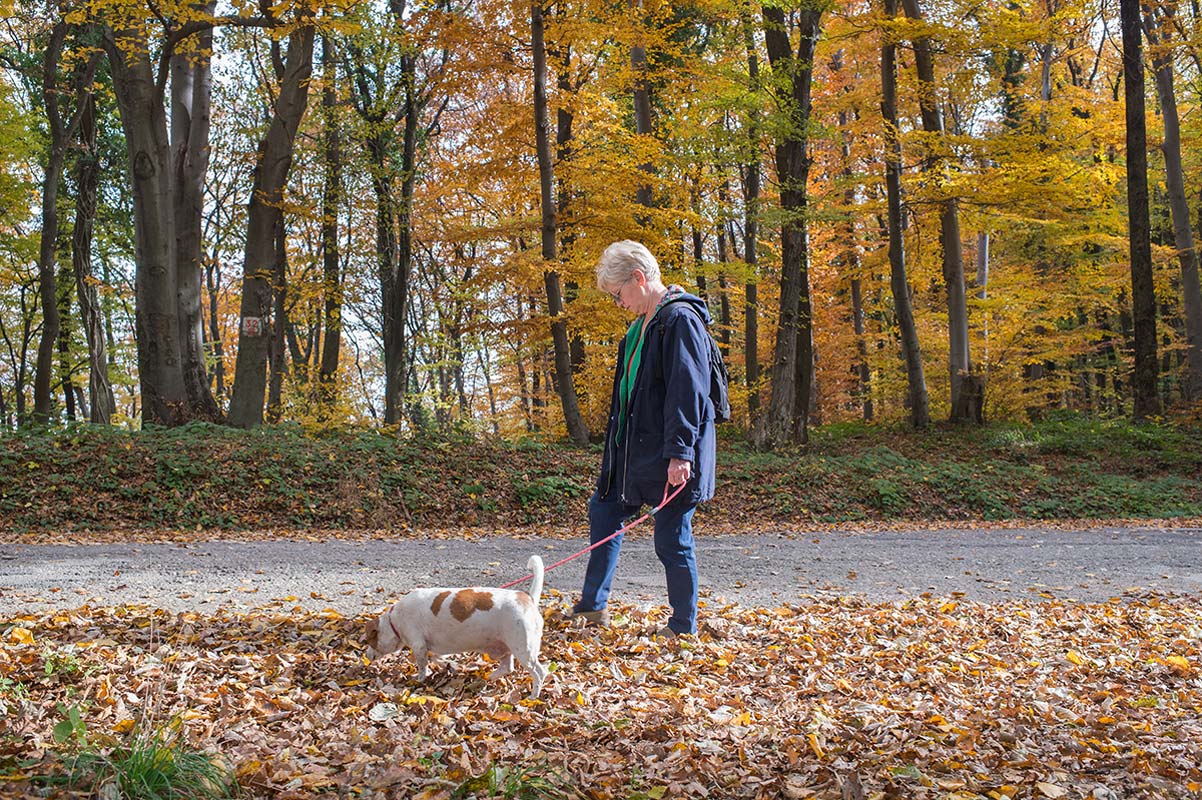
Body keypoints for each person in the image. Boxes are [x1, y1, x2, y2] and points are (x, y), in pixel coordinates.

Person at [571, 240, 717, 638]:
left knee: (671, 538)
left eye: (619, 294)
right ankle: (591, 608)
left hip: (672, 452)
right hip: (633, 454)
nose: (619, 304)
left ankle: (684, 628)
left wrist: (681, 454)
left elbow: (687, 392)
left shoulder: (680, 320)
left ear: (639, 278)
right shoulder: (638, 330)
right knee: (603, 511)